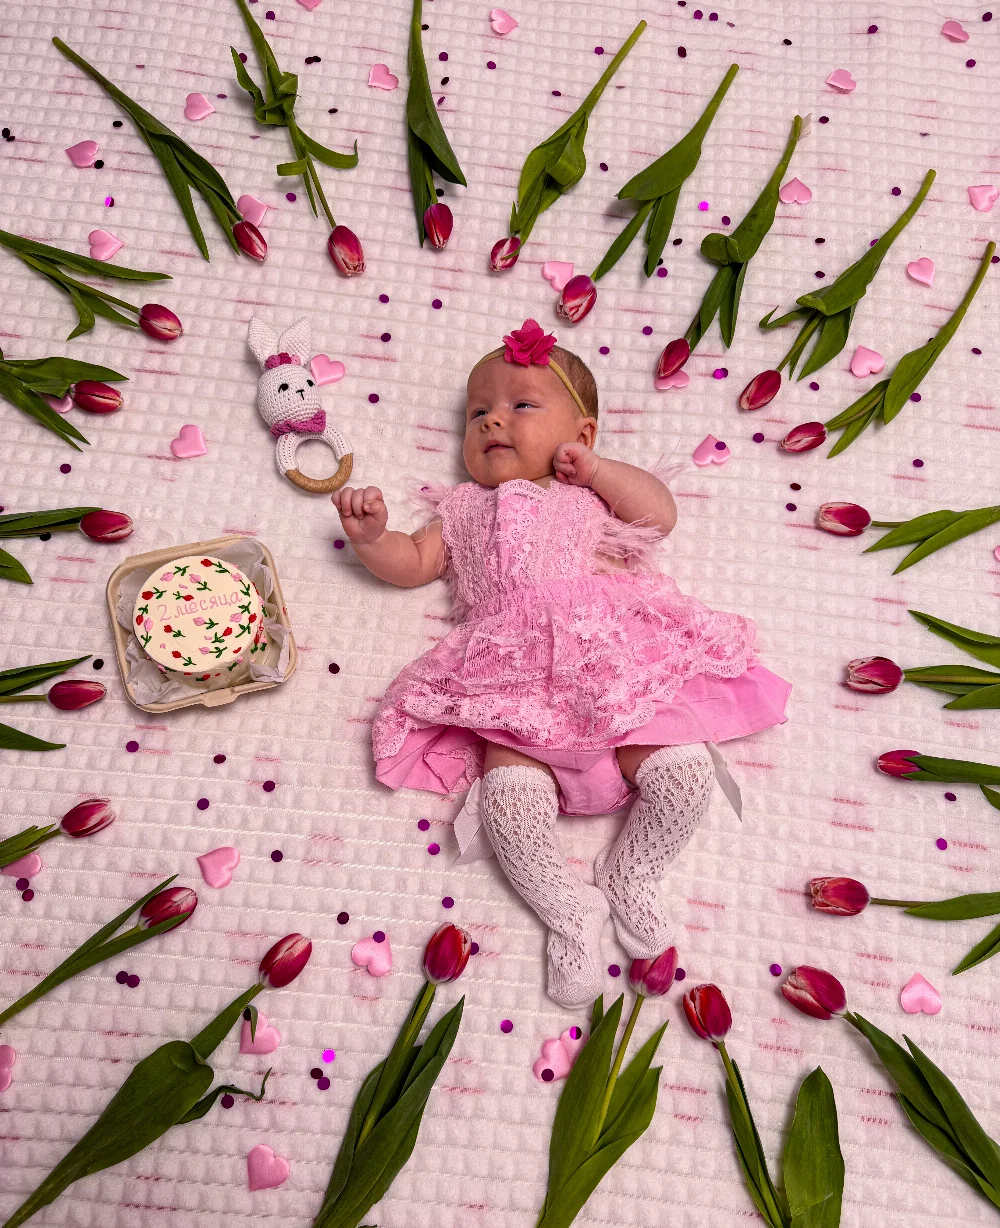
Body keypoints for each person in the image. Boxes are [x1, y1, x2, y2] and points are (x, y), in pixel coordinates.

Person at [332, 318, 790, 1007]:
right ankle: (568, 910)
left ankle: (634, 872)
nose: (493, 421)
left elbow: (658, 516)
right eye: (477, 413)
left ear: (582, 434)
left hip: (611, 659)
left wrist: (600, 472)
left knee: (684, 772)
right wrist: (373, 540)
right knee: (508, 805)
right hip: (510, 673)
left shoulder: (588, 495)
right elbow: (414, 562)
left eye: (521, 405)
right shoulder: (461, 510)